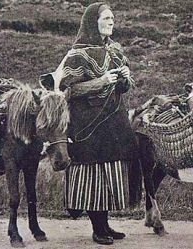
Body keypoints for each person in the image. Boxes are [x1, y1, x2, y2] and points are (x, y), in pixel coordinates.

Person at [40, 2, 139, 245]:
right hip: (87, 124)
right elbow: (68, 90)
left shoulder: (115, 51)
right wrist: (102, 81)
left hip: (112, 123)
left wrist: (125, 79)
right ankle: (97, 228)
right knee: (94, 174)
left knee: (110, 172)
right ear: (92, 22)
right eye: (106, 18)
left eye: (112, 18)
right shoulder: (77, 54)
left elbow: (125, 87)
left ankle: (105, 224)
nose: (111, 22)